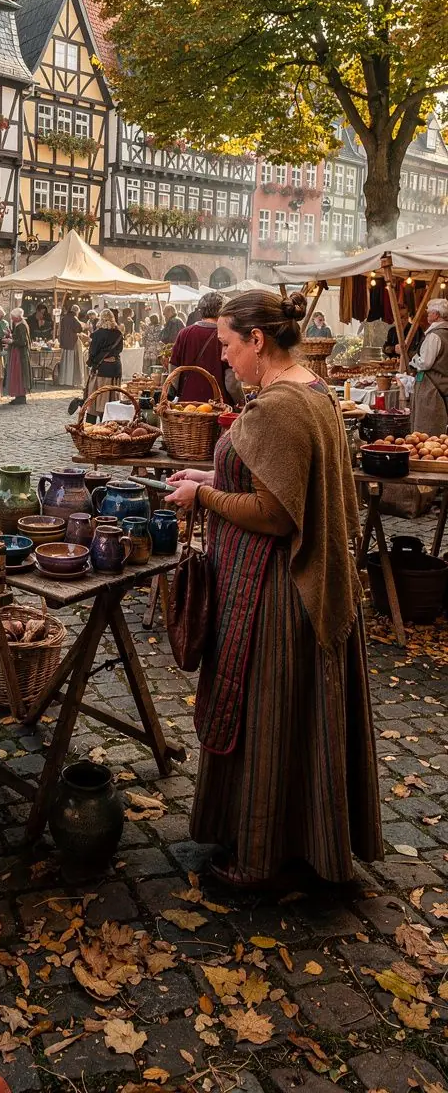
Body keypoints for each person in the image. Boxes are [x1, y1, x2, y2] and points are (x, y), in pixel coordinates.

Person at [165, 290, 382, 888]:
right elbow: (281, 479)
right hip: (293, 587)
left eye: (230, 346)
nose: (226, 359)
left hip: (279, 595)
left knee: (268, 722)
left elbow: (273, 513)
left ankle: (258, 859)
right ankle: (291, 842)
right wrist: (211, 473)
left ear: (257, 341)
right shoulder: (312, 392)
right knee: (292, 727)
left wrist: (202, 496)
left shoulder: (279, 407)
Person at [169, 292, 234, 405]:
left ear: (200, 310)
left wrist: (172, 392)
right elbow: (231, 381)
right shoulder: (225, 335)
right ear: (223, 311)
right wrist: (240, 400)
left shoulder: (184, 333)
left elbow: (174, 369)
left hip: (187, 404)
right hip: (218, 405)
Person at [410, 299, 448, 434]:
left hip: (431, 387)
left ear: (436, 314)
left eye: (429, 311)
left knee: (427, 427)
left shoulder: (435, 335)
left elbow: (425, 363)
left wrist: (414, 360)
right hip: (442, 384)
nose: (427, 314)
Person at [85, 310, 124, 415]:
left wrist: (91, 363)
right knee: (113, 396)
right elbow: (119, 350)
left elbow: (93, 352)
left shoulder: (97, 334)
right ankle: (110, 420)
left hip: (102, 369)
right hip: (115, 369)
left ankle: (93, 424)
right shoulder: (119, 334)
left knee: (97, 398)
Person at [4, 307, 32, 404]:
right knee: (17, 374)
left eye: (13, 317)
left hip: (20, 354)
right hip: (18, 353)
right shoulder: (20, 325)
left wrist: (11, 341)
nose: (11, 319)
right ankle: (18, 395)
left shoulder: (22, 326)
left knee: (19, 374)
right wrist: (10, 335)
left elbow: (23, 341)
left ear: (18, 317)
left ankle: (20, 395)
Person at [58, 304, 85, 389]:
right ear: (76, 311)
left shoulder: (64, 318)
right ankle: (71, 381)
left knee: (65, 361)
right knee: (73, 362)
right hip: (73, 342)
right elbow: (79, 328)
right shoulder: (74, 318)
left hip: (65, 342)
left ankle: (64, 380)